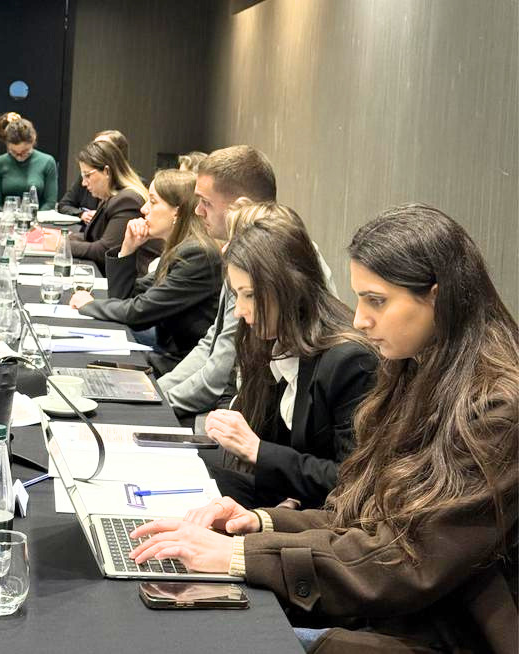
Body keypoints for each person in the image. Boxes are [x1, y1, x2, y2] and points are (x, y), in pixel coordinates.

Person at [130, 204, 518, 654]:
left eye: (377, 300)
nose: (359, 319)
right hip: (393, 611)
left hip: (441, 634)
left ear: (437, 297)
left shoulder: (496, 410)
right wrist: (259, 522)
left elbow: (407, 561)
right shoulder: (416, 370)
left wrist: (240, 556)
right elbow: (358, 511)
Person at [202, 200, 377, 509]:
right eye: (237, 295)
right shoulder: (270, 334)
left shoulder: (349, 361)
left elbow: (352, 480)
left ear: (289, 286)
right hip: (285, 501)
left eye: (250, 295)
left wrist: (257, 450)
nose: (241, 311)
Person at [155, 145, 277, 416]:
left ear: (240, 206)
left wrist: (155, 405)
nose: (198, 211)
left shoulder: (269, 259)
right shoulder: (240, 248)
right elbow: (213, 342)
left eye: (206, 202)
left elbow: (217, 375)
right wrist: (154, 396)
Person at [69, 169, 223, 374]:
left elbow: (139, 312)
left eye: (153, 201)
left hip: (181, 364)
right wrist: (127, 249)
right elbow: (124, 297)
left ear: (177, 211)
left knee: (89, 366)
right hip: (164, 349)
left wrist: (88, 305)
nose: (143, 209)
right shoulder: (179, 247)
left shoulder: (197, 254)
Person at [70, 140, 160, 276]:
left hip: (133, 283)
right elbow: (94, 238)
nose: (83, 183)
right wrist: (66, 238)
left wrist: (61, 245)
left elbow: (104, 250)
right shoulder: (112, 197)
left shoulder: (127, 200)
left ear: (107, 171)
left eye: (87, 175)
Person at [0, 112, 57, 210]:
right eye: (14, 152)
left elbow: (50, 203)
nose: (19, 157)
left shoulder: (47, 162)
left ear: (33, 140)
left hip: (38, 219)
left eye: (25, 152)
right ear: (7, 145)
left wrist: (33, 218)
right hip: (5, 219)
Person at [58, 130, 129, 222]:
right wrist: (82, 214)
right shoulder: (88, 176)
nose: (84, 183)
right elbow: (64, 204)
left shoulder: (129, 192)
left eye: (100, 148)